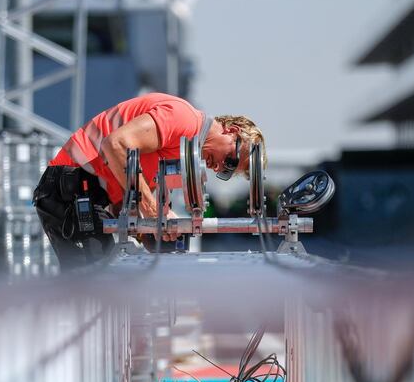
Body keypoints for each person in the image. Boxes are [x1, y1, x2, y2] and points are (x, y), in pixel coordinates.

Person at [33, 92, 265, 269]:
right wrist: (152, 212)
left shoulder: (184, 149)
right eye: (231, 161)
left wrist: (149, 232)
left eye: (226, 172)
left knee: (106, 285)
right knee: (94, 286)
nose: (220, 167)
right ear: (232, 131)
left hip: (84, 190)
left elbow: (127, 193)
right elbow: (116, 144)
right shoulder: (184, 119)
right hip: (72, 184)